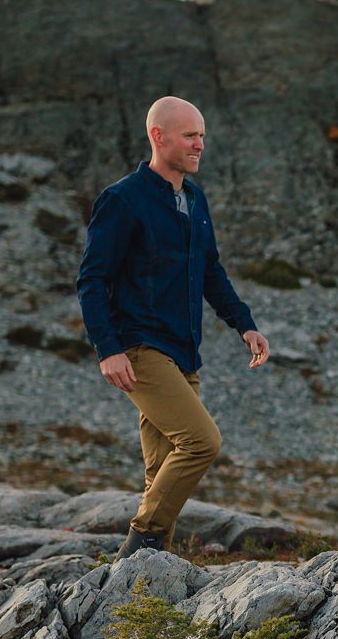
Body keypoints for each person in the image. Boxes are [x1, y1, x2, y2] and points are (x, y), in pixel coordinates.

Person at [78, 96, 271, 555]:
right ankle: (140, 539)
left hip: (184, 351)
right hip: (139, 349)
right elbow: (92, 280)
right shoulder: (123, 200)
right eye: (190, 135)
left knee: (162, 466)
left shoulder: (194, 199)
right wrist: (108, 348)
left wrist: (244, 324)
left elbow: (210, 271)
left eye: (202, 135)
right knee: (202, 442)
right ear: (158, 136)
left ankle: (141, 579)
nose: (200, 144)